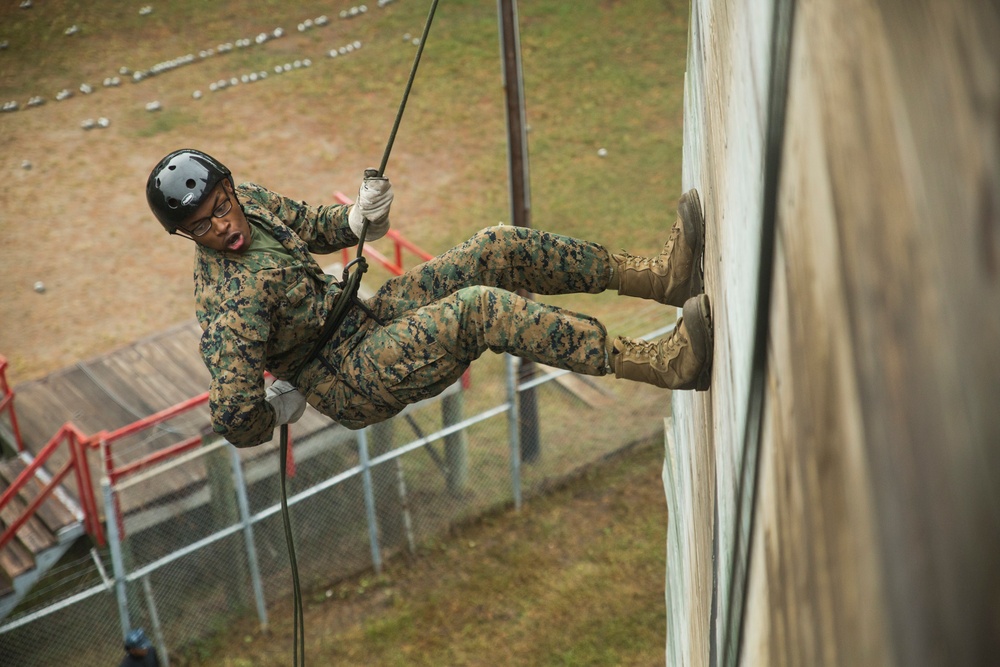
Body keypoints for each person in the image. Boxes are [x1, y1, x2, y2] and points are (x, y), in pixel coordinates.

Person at [145, 149, 713, 448]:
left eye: (221, 205)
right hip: (350, 376)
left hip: (362, 317)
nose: (220, 226)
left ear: (229, 188)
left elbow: (311, 227)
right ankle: (662, 364)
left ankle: (660, 279)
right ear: (186, 236)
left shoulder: (255, 204)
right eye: (199, 227)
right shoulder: (228, 303)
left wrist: (354, 217)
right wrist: (273, 411)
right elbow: (234, 414)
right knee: (480, 310)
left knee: (497, 247)